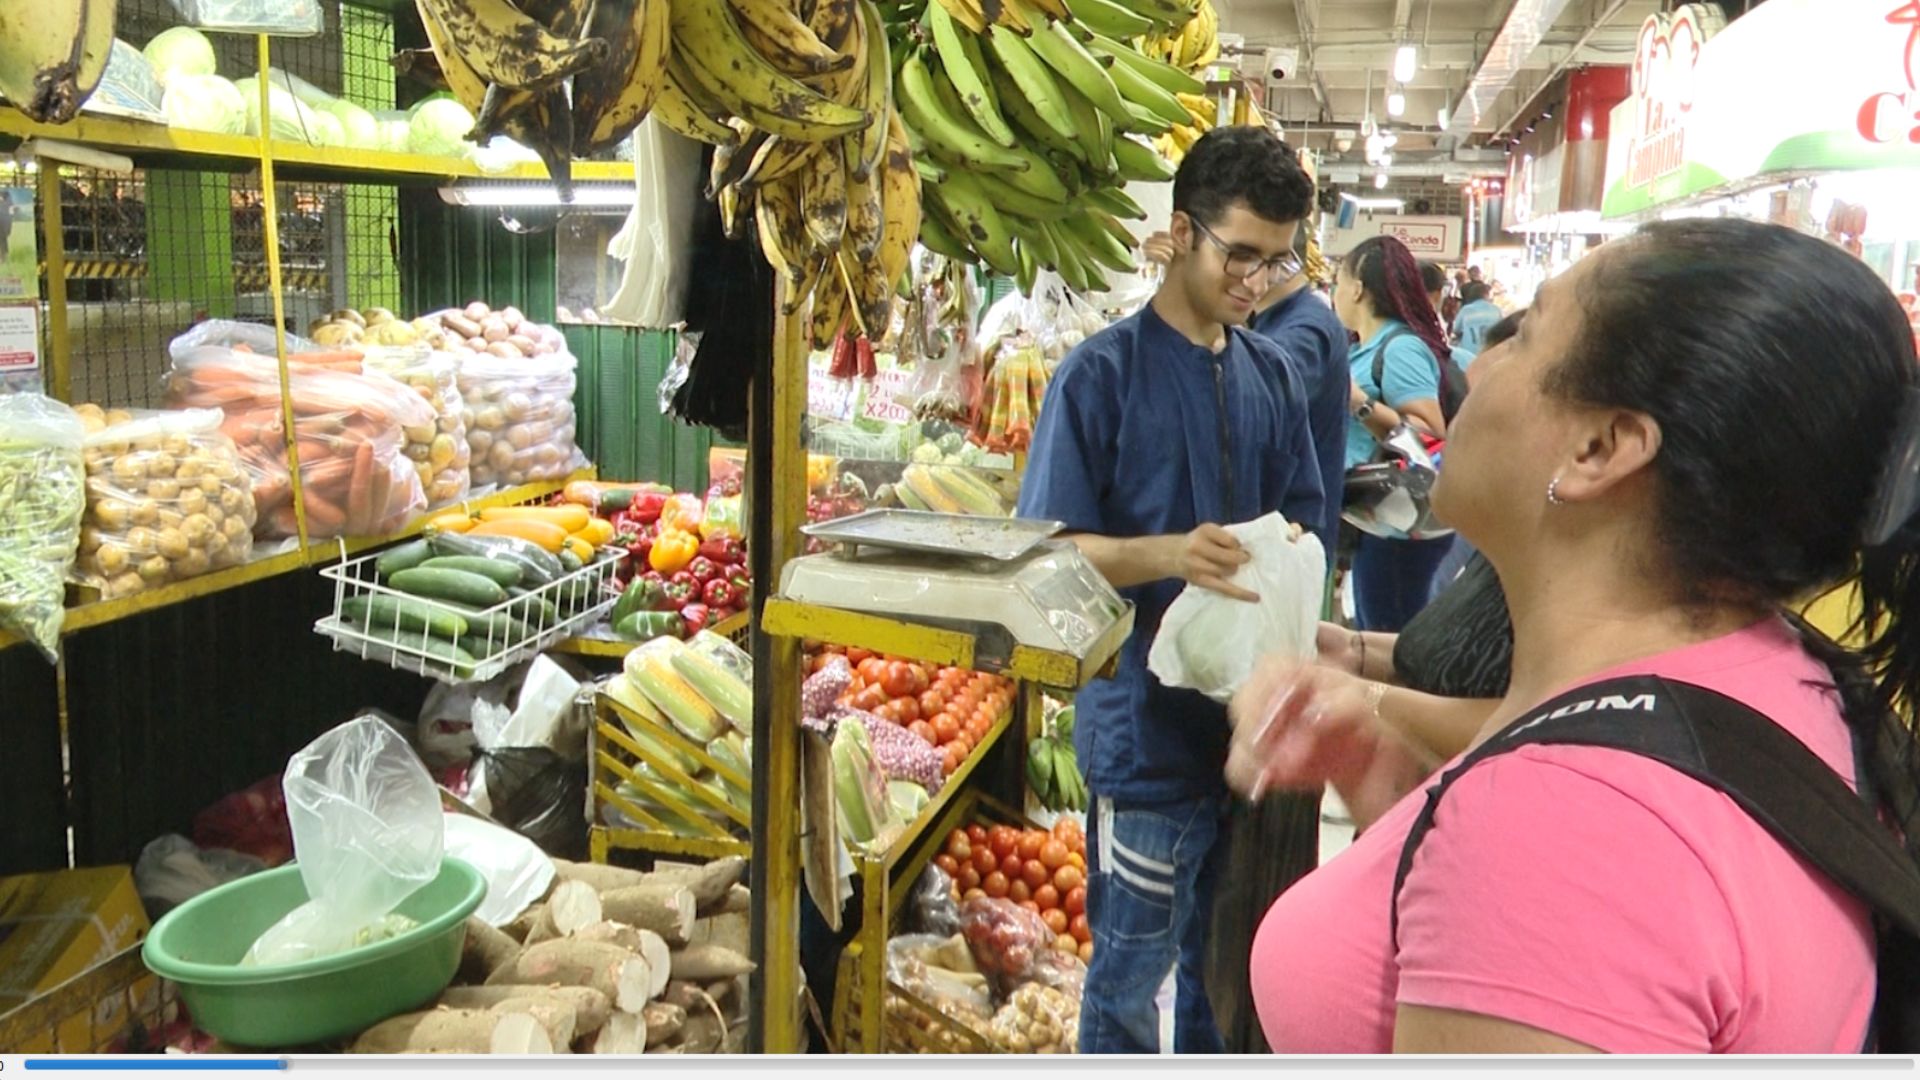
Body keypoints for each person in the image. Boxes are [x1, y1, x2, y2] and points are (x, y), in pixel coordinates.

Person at [1226, 217, 1920, 1053]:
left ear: (1601, 447)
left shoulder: (1560, 833)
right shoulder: (1783, 679)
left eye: (1521, 337)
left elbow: (1571, 895)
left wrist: (1492, 845)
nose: (1475, 366)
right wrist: (1399, 797)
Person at [1017, 124, 1326, 1055]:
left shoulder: (1273, 372)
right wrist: (1168, 556)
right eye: (1239, 254)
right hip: (1144, 736)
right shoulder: (1098, 378)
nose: (1254, 281)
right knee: (1125, 975)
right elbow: (1051, 550)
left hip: (1251, 736)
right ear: (1183, 231)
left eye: (1276, 263)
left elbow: (1306, 518)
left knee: (1225, 970)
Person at [1335, 236, 1454, 631]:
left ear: (1357, 288)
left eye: (1339, 282)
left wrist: (1358, 402)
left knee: (1390, 636)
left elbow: (1427, 431)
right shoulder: (1363, 348)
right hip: (1378, 520)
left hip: (1400, 528)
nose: (1336, 294)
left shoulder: (1400, 348)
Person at [1248, 226, 1350, 553]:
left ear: (1280, 261)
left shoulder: (1304, 330)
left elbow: (1255, 404)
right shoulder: (1277, 321)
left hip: (1290, 541)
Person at [1451, 282, 1504, 365]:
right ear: (1486, 295)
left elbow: (1456, 329)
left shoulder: (1466, 310)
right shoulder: (1496, 310)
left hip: (1468, 354)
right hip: (1490, 354)